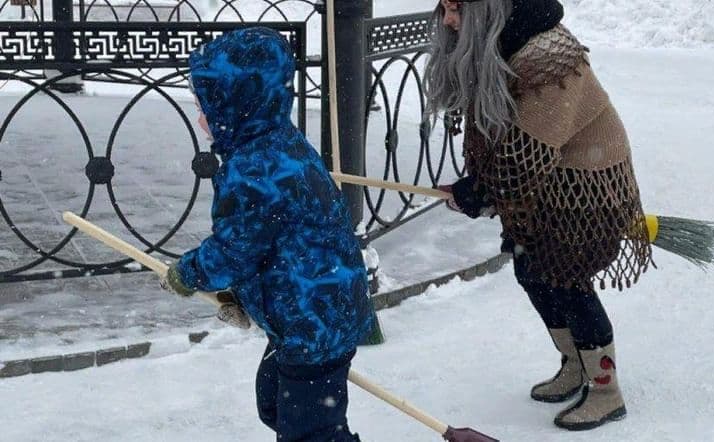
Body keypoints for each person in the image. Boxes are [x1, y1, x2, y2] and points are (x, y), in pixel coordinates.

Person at [427, 0, 654, 431]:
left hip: (585, 181)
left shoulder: (549, 59)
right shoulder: (499, 43)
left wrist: (479, 192)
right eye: (443, 8)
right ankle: (575, 363)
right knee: (530, 270)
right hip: (546, 182)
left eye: (456, 8)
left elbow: (522, 157)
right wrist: (478, 189)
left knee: (567, 280)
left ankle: (605, 389)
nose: (448, 21)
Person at [161, 27, 371, 442]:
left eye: (207, 105)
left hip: (313, 321)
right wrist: (244, 297)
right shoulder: (277, 140)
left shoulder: (254, 169)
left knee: (310, 432)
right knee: (274, 403)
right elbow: (270, 242)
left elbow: (232, 252)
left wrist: (185, 275)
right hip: (316, 311)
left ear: (237, 105)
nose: (201, 117)